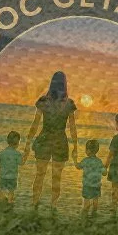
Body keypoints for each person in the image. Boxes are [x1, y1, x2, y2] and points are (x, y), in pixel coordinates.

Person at [26, 72, 77, 212]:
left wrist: (28, 142)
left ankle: (34, 204)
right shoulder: (69, 103)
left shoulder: (43, 101)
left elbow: (35, 124)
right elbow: (72, 127)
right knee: (56, 177)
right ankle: (53, 206)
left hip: (44, 139)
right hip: (60, 141)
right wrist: (76, 146)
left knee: (39, 175)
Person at [0, 131, 24, 204]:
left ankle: (0, 201)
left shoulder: (2, 153)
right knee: (11, 191)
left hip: (2, 176)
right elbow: (21, 163)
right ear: (18, 143)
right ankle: (10, 201)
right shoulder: (17, 154)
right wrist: (24, 156)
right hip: (12, 177)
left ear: (7, 140)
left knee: (1, 190)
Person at [79, 140, 105, 217]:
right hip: (96, 185)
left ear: (89, 150)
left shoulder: (85, 160)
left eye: (86, 149)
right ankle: (94, 213)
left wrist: (74, 160)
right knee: (95, 200)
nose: (85, 151)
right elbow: (104, 173)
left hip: (87, 185)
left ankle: (85, 214)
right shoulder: (99, 161)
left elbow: (78, 166)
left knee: (87, 201)